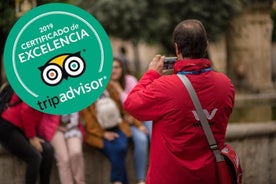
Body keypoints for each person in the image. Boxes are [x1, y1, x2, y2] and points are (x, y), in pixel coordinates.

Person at [123, 19, 235, 184]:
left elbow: (131, 104)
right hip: (209, 176)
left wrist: (151, 74)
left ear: (176, 48)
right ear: (206, 46)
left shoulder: (164, 87)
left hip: (168, 178)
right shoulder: (226, 85)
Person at [82, 82, 143, 184]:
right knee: (115, 151)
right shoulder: (85, 94)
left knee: (122, 147)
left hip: (118, 126)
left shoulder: (110, 87)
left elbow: (124, 109)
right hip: (97, 132)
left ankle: (117, 181)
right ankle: (119, 181)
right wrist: (103, 134)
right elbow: (89, 122)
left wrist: (138, 124)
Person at [110, 57, 150, 184]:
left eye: (116, 67)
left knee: (156, 134)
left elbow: (135, 103)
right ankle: (141, 179)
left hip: (140, 116)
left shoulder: (130, 80)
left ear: (122, 69)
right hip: (127, 123)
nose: (113, 71)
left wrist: (120, 91)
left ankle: (163, 171)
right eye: (111, 68)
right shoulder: (107, 86)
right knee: (141, 139)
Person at [0, 93, 54, 184]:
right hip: (8, 126)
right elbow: (26, 110)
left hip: (24, 127)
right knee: (35, 157)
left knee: (48, 150)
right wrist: (32, 137)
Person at [39, 112, 86, 184]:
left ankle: (80, 182)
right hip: (53, 127)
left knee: (75, 152)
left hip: (73, 127)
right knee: (64, 159)